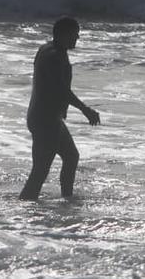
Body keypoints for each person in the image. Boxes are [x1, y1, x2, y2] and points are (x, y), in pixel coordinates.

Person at [19, 17, 101, 201]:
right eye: (75, 34)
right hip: (45, 120)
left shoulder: (50, 49)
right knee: (40, 171)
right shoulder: (54, 56)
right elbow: (61, 90)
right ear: (63, 34)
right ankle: (23, 210)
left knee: (71, 157)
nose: (77, 38)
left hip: (46, 118)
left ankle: (67, 199)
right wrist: (85, 109)